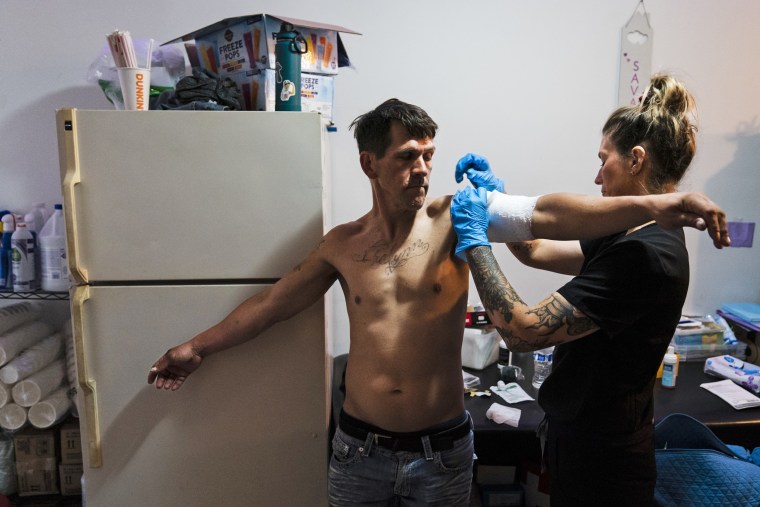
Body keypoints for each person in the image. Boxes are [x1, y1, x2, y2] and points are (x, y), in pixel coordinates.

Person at [148, 98, 729, 506]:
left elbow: (552, 213)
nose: (423, 168)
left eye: (428, 153)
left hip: (443, 450)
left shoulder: (458, 216)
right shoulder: (342, 246)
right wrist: (197, 346)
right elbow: (273, 304)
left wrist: (663, 205)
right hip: (359, 451)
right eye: (407, 156)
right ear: (369, 164)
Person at [450, 74, 725, 506]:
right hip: (583, 442)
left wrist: (476, 246)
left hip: (605, 464)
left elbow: (523, 331)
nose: (597, 177)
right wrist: (498, 200)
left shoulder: (645, 254)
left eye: (604, 160)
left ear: (636, 160)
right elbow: (536, 251)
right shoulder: (629, 231)